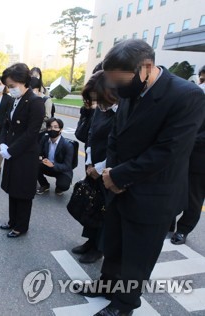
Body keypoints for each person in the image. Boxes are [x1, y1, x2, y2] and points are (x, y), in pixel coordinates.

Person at [83, 39, 205, 316]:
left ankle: (125, 304)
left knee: (138, 254)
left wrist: (120, 176)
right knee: (113, 243)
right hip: (118, 184)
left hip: (153, 193)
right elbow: (116, 135)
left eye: (119, 81)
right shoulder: (129, 92)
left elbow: (169, 150)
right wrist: (111, 174)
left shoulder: (186, 95)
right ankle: (106, 285)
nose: (116, 88)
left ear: (145, 68)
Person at [71, 70, 118, 264]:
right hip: (93, 164)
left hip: (108, 169)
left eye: (99, 100)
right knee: (93, 204)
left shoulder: (122, 112)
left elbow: (118, 145)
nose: (98, 105)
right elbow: (90, 134)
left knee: (105, 209)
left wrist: (99, 168)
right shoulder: (100, 110)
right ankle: (90, 240)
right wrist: (89, 162)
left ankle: (99, 248)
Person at [0, 63, 45, 238]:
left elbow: (31, 133)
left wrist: (11, 150)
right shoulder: (14, 100)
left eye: (12, 86)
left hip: (25, 154)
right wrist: (3, 143)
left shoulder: (35, 102)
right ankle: (12, 220)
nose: (10, 89)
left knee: (23, 192)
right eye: (8, 86)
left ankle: (21, 226)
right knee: (13, 188)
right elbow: (7, 124)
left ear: (23, 81)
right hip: (11, 151)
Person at [169, 109, 205, 245]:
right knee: (172, 190)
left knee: (193, 198)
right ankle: (169, 222)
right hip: (181, 155)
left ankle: (183, 229)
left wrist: (186, 137)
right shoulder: (195, 90)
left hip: (200, 160)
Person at [36, 118, 74, 196]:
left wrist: (53, 165)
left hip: (62, 170)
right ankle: (44, 185)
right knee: (34, 165)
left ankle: (59, 187)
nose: (52, 129)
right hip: (47, 165)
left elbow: (67, 166)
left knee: (63, 185)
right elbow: (38, 152)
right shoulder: (45, 139)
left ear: (61, 129)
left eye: (55, 127)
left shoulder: (68, 145)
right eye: (50, 127)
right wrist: (40, 158)